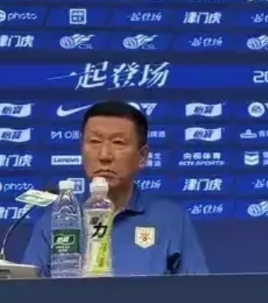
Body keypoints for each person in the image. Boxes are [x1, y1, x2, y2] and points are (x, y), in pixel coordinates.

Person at [22, 100, 209, 276]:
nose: (104, 155)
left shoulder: (170, 219)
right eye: (94, 142)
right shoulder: (57, 220)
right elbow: (27, 290)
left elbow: (199, 291)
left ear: (143, 156)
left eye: (118, 143)